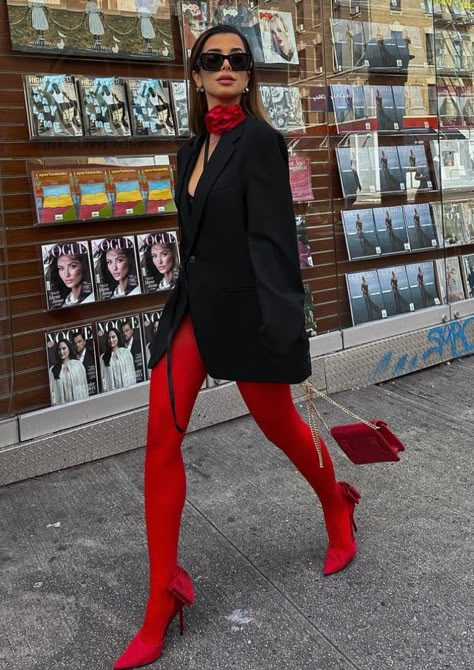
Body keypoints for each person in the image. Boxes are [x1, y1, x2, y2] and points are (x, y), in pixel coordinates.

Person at [113, 25, 361, 670]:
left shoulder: (261, 143)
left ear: (250, 76)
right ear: (196, 75)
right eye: (212, 60)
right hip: (193, 310)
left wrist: (285, 328)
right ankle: (161, 596)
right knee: (160, 439)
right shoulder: (190, 146)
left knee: (279, 426)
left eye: (237, 60)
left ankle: (337, 504)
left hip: (248, 312)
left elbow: (275, 240)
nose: (225, 67)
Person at [48, 339, 89, 405]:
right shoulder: (52, 370)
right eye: (59, 349)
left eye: (64, 348)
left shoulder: (78, 365)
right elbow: (53, 392)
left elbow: (84, 388)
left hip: (78, 406)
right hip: (62, 408)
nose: (61, 352)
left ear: (69, 349)